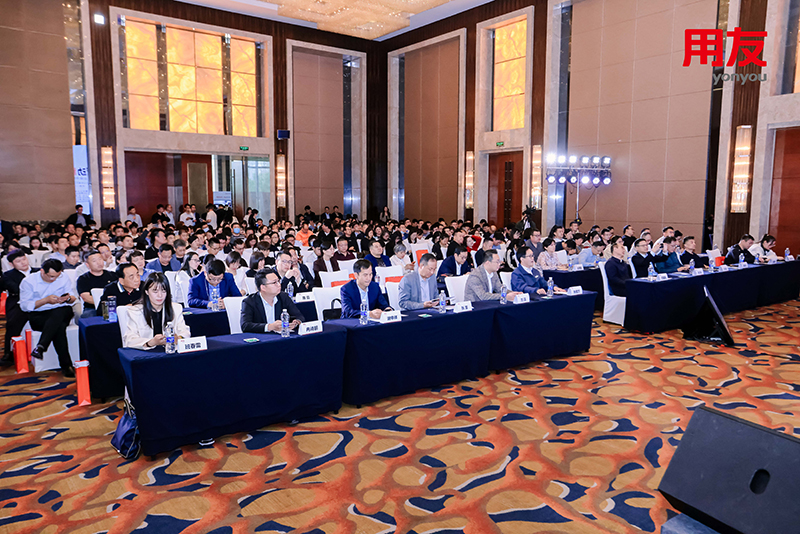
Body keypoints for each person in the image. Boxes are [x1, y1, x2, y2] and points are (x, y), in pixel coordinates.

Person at [19, 259, 77, 377]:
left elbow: (72, 297)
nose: (54, 279)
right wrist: (45, 301)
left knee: (61, 311)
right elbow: (24, 306)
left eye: (57, 276)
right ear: (42, 271)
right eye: (51, 276)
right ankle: (66, 365)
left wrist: (67, 298)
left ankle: (41, 346)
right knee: (59, 327)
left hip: (61, 310)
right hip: (39, 315)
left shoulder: (63, 277)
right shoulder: (29, 281)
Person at [122, 272, 190, 350]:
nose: (160, 295)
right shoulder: (135, 311)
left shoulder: (176, 308)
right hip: (146, 353)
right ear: (147, 292)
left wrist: (178, 338)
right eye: (155, 291)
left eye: (163, 291)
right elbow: (129, 339)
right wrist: (151, 342)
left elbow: (185, 331)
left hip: (169, 351)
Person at [240, 268, 305, 333]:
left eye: (278, 281)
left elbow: (299, 316)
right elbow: (245, 325)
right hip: (262, 337)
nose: (279, 285)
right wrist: (269, 327)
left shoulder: (284, 297)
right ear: (263, 287)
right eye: (274, 283)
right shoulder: (249, 302)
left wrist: (296, 322)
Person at [1, 250, 37, 365]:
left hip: (39, 302)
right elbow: (16, 289)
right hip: (17, 302)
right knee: (13, 323)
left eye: (24, 259)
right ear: (11, 264)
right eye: (18, 261)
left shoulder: (38, 271)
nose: (23, 263)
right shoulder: (8, 275)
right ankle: (9, 353)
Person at [76, 249, 117, 317]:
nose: (99, 263)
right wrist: (104, 304)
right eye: (94, 261)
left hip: (113, 306)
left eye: (100, 259)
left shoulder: (113, 275)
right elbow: (86, 298)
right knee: (88, 316)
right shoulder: (83, 279)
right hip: (93, 308)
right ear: (87, 265)